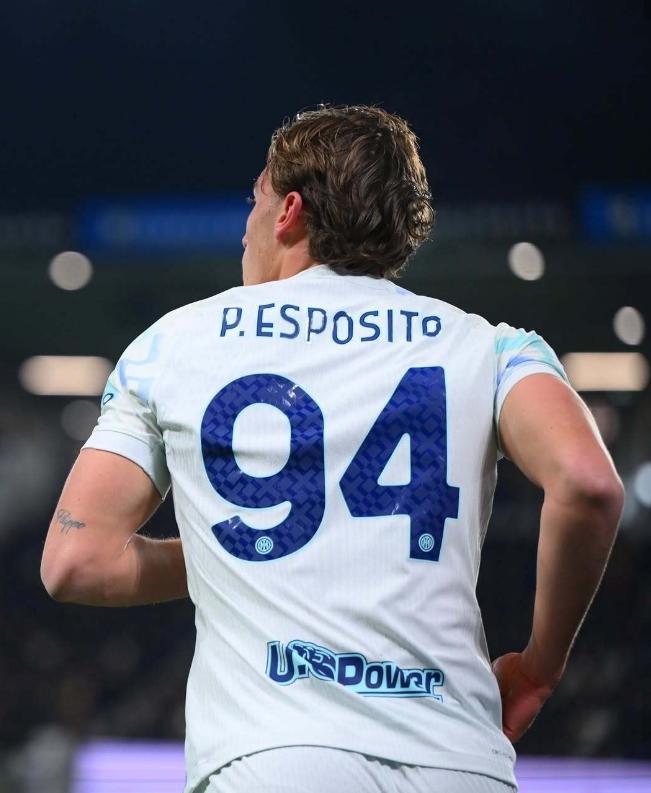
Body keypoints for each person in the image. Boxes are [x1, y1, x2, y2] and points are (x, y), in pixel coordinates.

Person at [41, 105, 624, 793]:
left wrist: (239, 552)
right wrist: (539, 667)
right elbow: (588, 483)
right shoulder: (489, 346)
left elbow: (76, 561)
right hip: (456, 758)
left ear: (288, 211)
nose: (246, 227)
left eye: (254, 202)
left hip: (270, 759)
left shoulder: (173, 344)